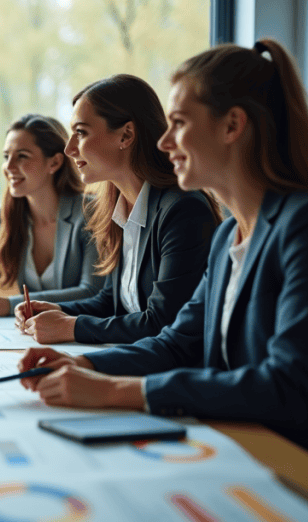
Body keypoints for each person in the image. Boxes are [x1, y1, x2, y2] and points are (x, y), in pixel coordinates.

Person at [16, 39, 308, 476]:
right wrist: (81, 363)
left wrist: (117, 391)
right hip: (239, 447)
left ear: (233, 125)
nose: (164, 141)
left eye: (178, 123)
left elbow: (286, 386)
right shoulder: (229, 235)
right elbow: (177, 343)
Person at [14, 74, 221, 344]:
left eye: (81, 133)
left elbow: (162, 321)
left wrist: (71, 327)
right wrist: (58, 311)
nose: (69, 149)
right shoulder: (118, 208)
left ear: (126, 135)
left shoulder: (183, 211)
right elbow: (112, 301)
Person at [0, 114, 103, 317]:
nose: (9, 167)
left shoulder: (89, 212)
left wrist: (12, 305)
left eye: (22, 156)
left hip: (79, 332)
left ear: (55, 162)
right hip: (36, 334)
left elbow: (92, 292)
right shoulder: (9, 214)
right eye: (6, 157)